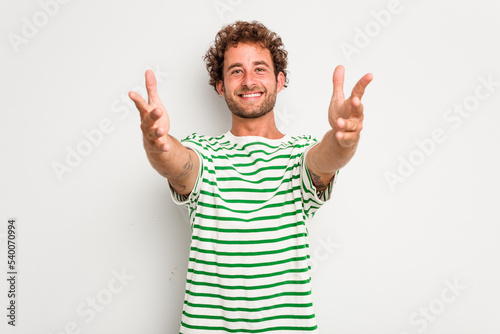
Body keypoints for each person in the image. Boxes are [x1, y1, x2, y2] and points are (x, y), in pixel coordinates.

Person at [129, 21, 372, 333]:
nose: (248, 80)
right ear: (220, 85)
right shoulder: (204, 152)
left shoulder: (298, 153)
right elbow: (177, 163)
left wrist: (343, 141)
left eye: (259, 69)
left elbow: (325, 159)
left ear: (279, 79)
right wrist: (157, 144)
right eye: (235, 71)